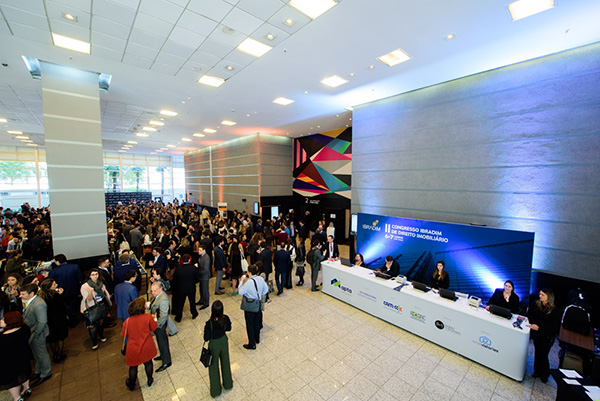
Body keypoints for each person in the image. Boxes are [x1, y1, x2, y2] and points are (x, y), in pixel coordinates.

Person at [19, 283, 52, 387]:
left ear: (31, 293)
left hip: (38, 333)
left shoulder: (39, 304)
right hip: (31, 333)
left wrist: (36, 334)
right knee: (36, 354)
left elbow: (42, 321)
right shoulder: (28, 301)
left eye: (23, 294)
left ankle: (46, 373)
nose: (20, 296)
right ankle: (38, 371)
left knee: (42, 354)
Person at [122, 297, 157, 391]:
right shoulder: (147, 317)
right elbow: (153, 328)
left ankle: (132, 384)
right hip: (146, 345)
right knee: (148, 363)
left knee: (133, 367)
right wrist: (155, 319)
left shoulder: (127, 321)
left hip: (133, 348)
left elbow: (124, 334)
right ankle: (149, 379)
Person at [527, 288, 560, 383]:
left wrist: (539, 328)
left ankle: (544, 373)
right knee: (537, 352)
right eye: (540, 294)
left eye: (543, 295)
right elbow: (530, 314)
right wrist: (533, 324)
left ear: (548, 297)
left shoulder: (555, 311)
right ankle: (537, 371)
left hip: (547, 336)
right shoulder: (536, 304)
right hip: (537, 334)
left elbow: (554, 327)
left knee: (543, 354)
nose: (540, 296)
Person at [203, 300, 233, 398]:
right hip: (224, 342)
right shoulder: (225, 318)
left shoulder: (209, 323)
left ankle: (216, 391)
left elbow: (206, 338)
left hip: (214, 345)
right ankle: (228, 384)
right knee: (225, 362)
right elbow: (229, 328)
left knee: (213, 367)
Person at [0, 312, 32, 400]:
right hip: (23, 358)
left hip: (9, 364)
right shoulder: (24, 329)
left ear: (10, 321)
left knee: (12, 382)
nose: (1, 320)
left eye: (4, 319)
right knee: (23, 374)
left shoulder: (3, 338)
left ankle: (17, 398)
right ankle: (27, 389)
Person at [238, 265, 268, 350]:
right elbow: (266, 289)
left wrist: (241, 281)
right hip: (257, 303)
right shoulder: (260, 279)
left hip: (250, 305)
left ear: (249, 272)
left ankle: (252, 343)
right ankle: (257, 338)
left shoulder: (249, 282)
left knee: (250, 324)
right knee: (256, 322)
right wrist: (259, 295)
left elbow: (240, 291)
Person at [80, 269, 112, 350]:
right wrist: (90, 292)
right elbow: (88, 299)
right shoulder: (85, 286)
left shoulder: (100, 283)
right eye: (93, 274)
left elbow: (105, 293)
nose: (95, 276)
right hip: (91, 308)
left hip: (101, 305)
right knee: (93, 325)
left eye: (96, 274)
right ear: (89, 276)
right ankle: (94, 342)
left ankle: (101, 336)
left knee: (101, 322)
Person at [38, 279, 68, 363]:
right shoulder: (55, 296)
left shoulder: (41, 297)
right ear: (49, 287)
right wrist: (61, 295)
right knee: (60, 337)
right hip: (59, 318)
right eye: (54, 284)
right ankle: (60, 354)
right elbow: (62, 305)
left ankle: (55, 354)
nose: (56, 285)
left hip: (48, 320)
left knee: (52, 338)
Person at [48, 254, 82, 326]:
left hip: (61, 293)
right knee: (73, 307)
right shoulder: (75, 267)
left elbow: (49, 282)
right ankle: (74, 321)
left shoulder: (53, 272)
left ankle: (68, 321)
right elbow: (80, 278)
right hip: (74, 290)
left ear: (57, 261)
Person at [150, 281, 171, 372]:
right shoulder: (158, 296)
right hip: (157, 322)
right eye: (152, 291)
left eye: (154, 291)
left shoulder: (163, 299)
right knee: (160, 341)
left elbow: (163, 316)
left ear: (160, 289)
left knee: (163, 342)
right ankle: (162, 355)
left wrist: (157, 326)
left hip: (160, 325)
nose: (153, 293)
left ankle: (166, 361)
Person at [172, 254, 200, 321]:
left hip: (181, 289)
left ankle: (179, 317)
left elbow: (175, 280)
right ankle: (194, 313)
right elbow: (197, 278)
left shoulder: (178, 269)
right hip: (191, 288)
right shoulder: (193, 268)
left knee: (180, 303)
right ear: (189, 260)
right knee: (192, 302)